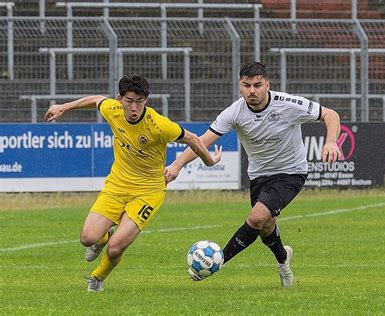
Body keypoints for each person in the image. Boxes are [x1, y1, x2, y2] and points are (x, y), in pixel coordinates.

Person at [165, 61, 340, 287]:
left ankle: (217, 261)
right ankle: (283, 259)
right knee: (266, 226)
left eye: (257, 85)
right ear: (240, 86)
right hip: (259, 176)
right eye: (246, 86)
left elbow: (330, 114)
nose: (252, 91)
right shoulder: (234, 112)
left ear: (267, 85)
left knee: (256, 218)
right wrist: (177, 165)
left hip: (290, 173)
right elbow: (202, 141)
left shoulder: (288, 104)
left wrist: (331, 142)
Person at [44, 74, 222, 292]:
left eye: (139, 101)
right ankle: (102, 238)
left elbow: (193, 139)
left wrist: (209, 161)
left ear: (146, 100)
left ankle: (97, 278)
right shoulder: (113, 110)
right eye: (129, 101)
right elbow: (96, 99)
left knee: (115, 249)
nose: (134, 107)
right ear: (120, 99)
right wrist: (64, 107)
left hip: (148, 192)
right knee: (87, 237)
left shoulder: (159, 125)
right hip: (117, 184)